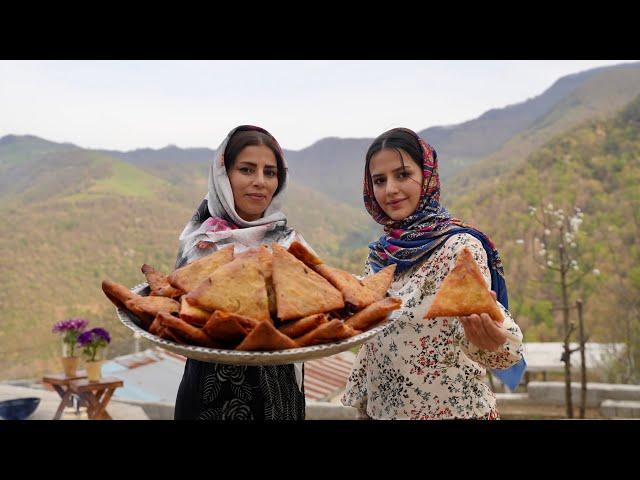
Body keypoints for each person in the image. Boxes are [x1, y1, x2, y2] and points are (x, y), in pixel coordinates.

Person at [341, 127, 526, 420]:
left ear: (427, 175)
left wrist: (493, 339)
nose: (390, 189)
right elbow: (376, 346)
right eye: (379, 180)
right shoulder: (379, 255)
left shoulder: (459, 248)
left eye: (402, 175)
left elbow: (499, 344)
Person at [174, 125, 307, 420]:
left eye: (270, 172)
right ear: (224, 176)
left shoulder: (291, 243)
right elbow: (180, 312)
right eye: (247, 170)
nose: (260, 182)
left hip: (281, 397)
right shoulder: (201, 242)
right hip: (211, 397)